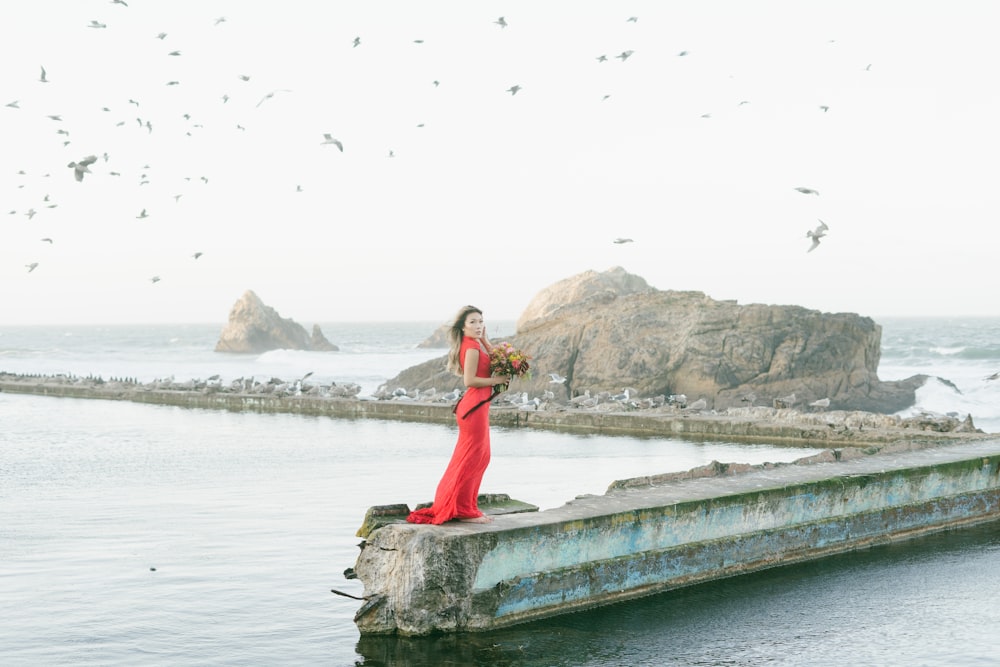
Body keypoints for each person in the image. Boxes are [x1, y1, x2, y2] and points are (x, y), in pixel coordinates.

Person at [406, 305, 510, 525]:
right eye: (472, 322)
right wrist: (496, 381)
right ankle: (463, 511)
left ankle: (468, 507)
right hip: (473, 408)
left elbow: (494, 358)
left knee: (480, 457)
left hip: (478, 406)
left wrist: (486, 339)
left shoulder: (476, 344)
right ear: (463, 327)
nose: (478, 325)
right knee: (472, 459)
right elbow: (469, 381)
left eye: (481, 321)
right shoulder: (470, 347)